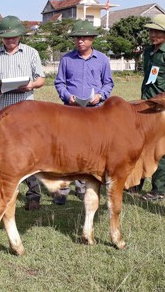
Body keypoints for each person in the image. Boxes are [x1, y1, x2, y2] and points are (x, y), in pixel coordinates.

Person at [0, 15, 45, 210]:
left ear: (20, 36)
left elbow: (41, 79)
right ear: (1, 37)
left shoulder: (31, 53)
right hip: (2, 110)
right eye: (6, 38)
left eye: (14, 37)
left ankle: (33, 193)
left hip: (26, 110)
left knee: (30, 154)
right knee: (2, 152)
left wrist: (30, 85)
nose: (10, 41)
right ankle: (3, 190)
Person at [53, 20, 114, 205]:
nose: (80, 41)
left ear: (92, 39)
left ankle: (82, 186)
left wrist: (100, 96)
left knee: (88, 151)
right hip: (71, 111)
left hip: (94, 112)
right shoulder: (67, 59)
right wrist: (67, 96)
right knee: (66, 150)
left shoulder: (102, 59)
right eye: (77, 38)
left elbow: (108, 83)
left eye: (84, 38)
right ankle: (63, 188)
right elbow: (59, 82)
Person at [131, 14, 165, 201]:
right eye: (151, 30)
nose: (153, 34)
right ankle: (136, 183)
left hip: (163, 109)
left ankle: (159, 189)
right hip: (145, 106)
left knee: (160, 148)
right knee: (141, 145)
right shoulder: (148, 52)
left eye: (158, 31)